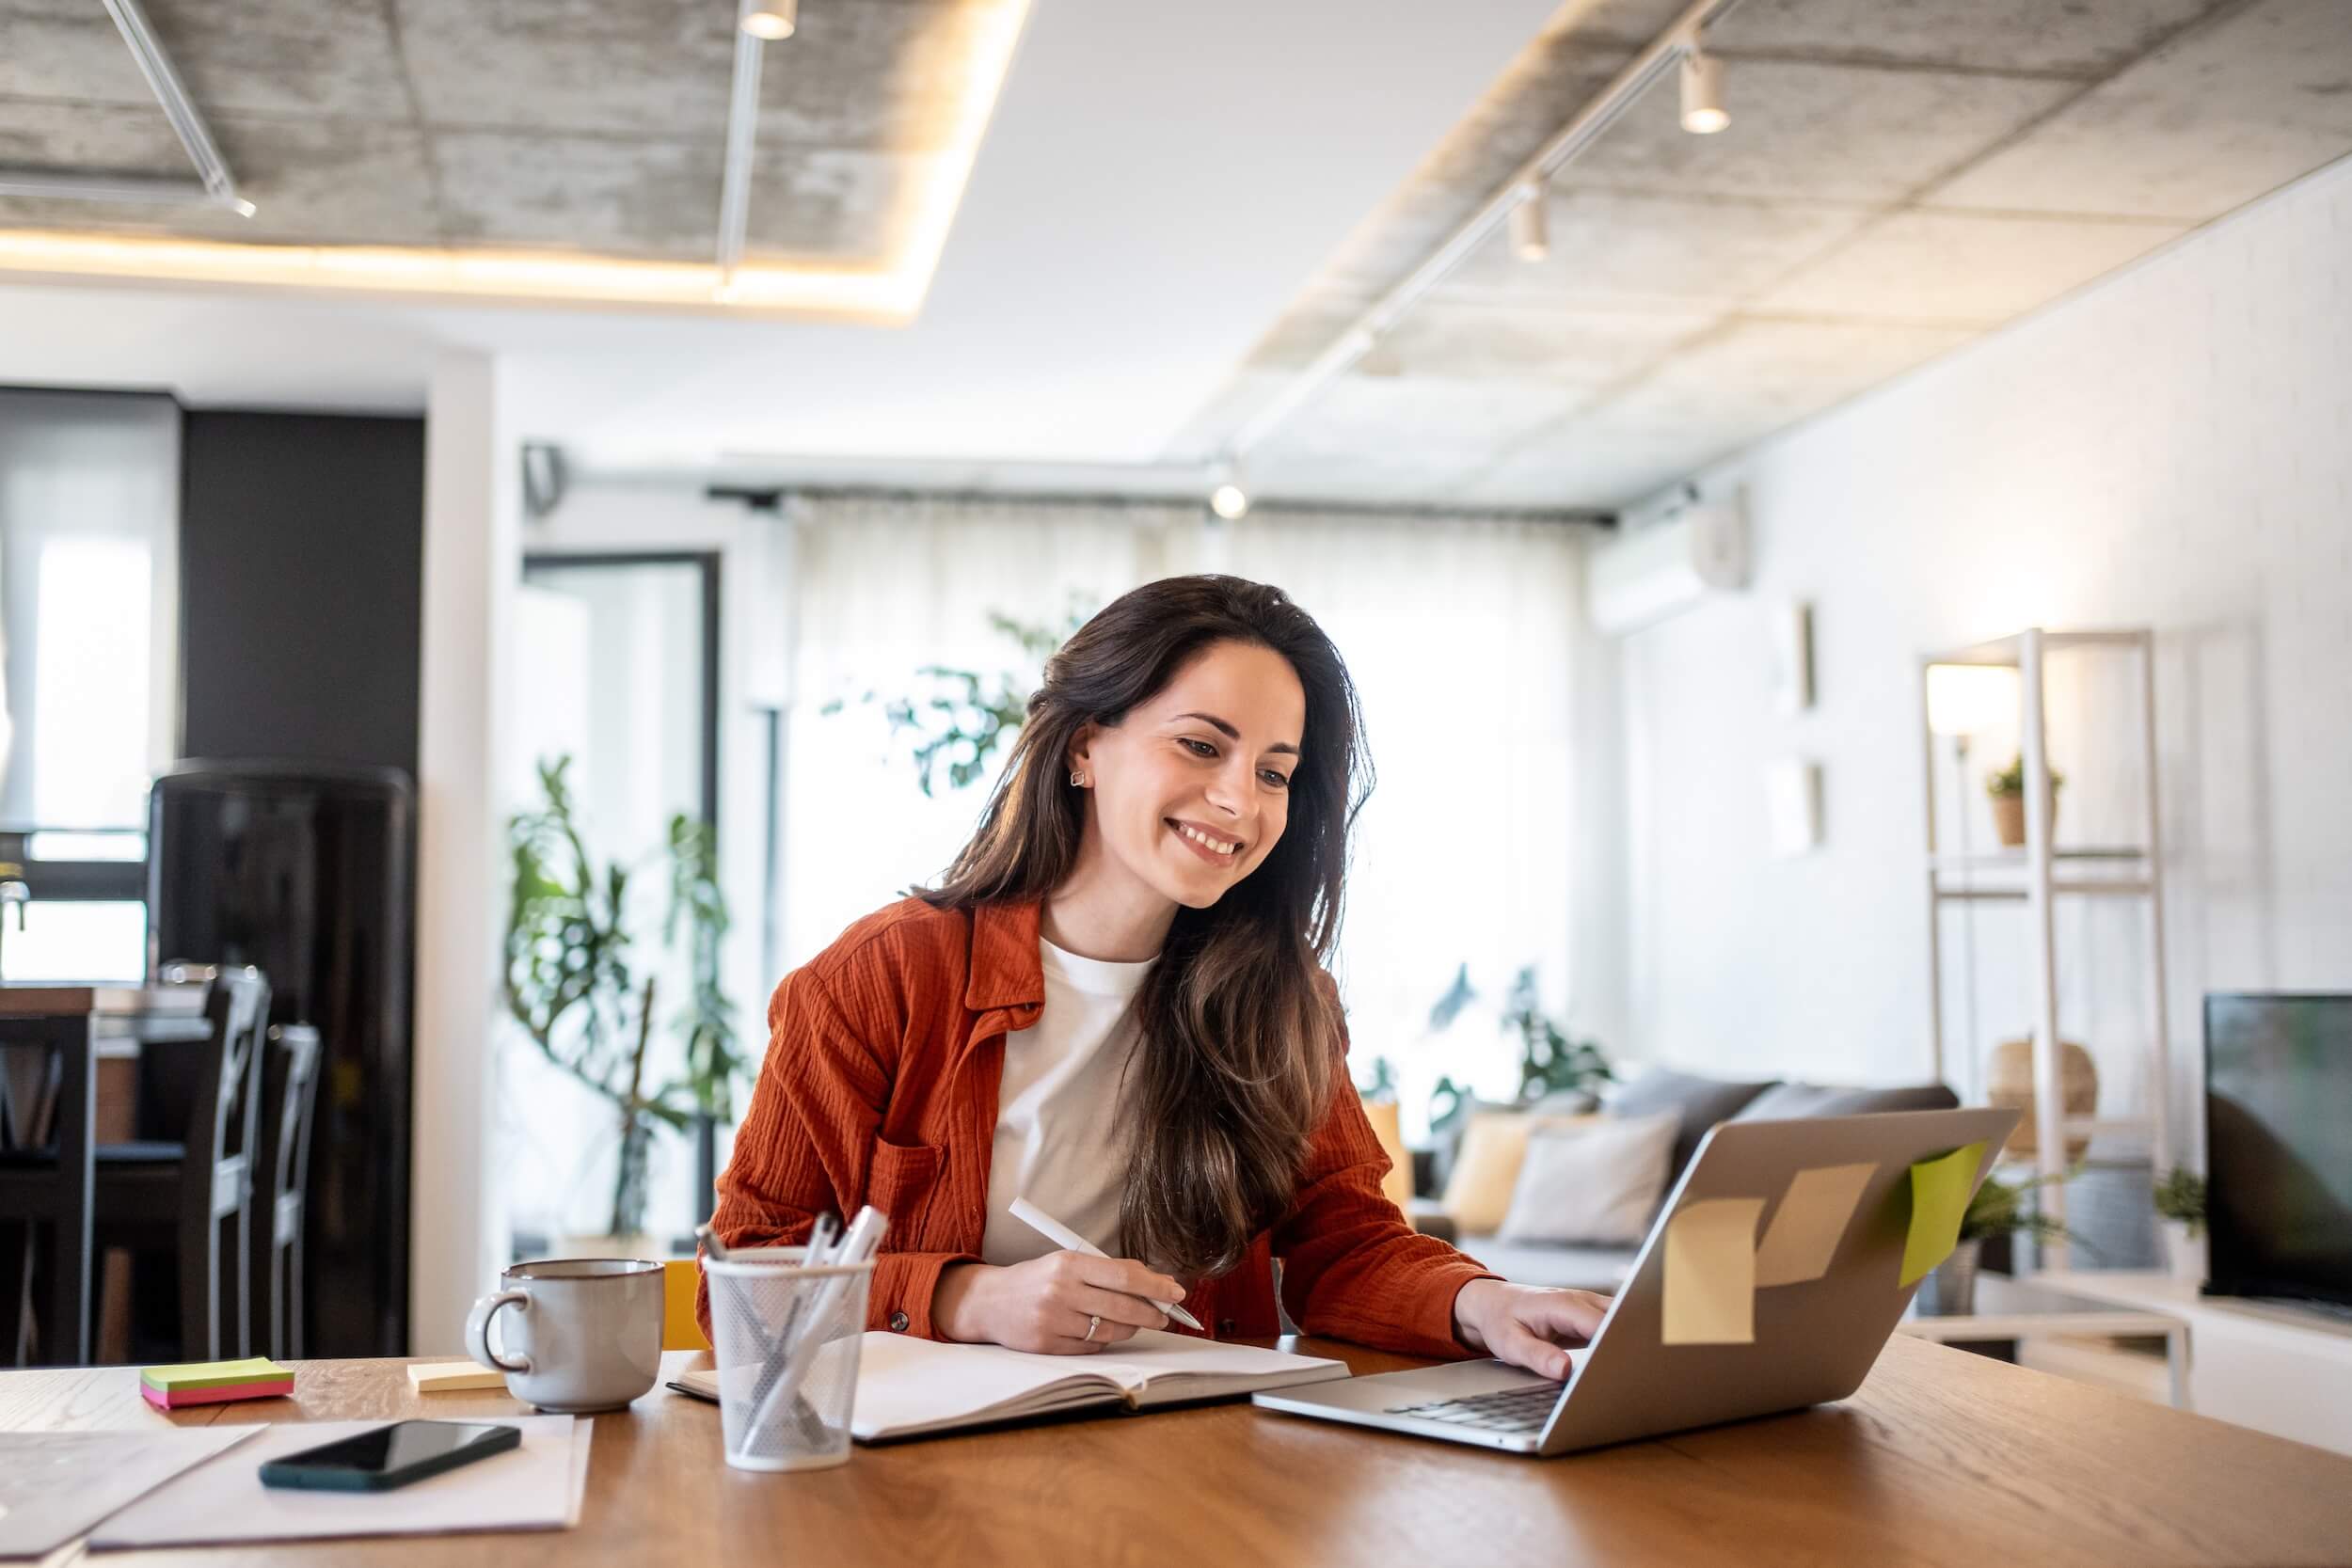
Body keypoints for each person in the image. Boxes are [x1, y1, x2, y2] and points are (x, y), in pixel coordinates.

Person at [700, 574, 1606, 1378]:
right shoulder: (880, 978)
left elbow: (1347, 1243)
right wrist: (967, 1299)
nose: (1240, 802)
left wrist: (1480, 1302)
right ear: (1083, 749)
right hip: (927, 1490)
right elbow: (740, 1280)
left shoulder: (1284, 1000)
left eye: (1275, 772)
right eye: (1203, 747)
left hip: (1197, 1464)